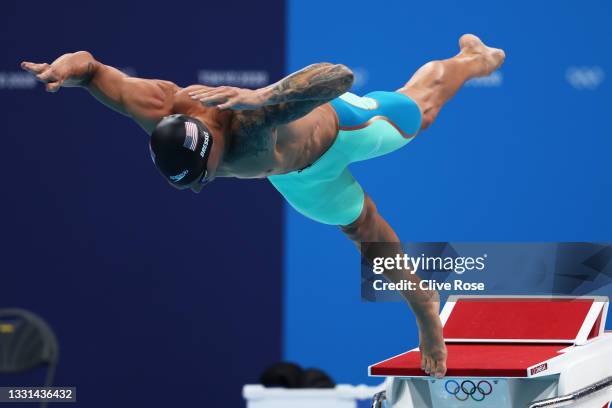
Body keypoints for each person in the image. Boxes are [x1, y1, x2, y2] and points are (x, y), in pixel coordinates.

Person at [21, 34, 505, 378]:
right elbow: (91, 69)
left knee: (420, 106)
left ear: (211, 145)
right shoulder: (159, 107)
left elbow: (338, 76)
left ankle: (471, 58)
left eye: (204, 176)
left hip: (344, 131)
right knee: (366, 234)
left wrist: (266, 97)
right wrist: (67, 67)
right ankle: (422, 300)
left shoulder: (250, 124)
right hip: (299, 182)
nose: (200, 189)